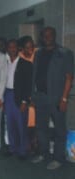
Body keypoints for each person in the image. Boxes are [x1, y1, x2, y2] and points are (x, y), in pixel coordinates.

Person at [31, 27, 74, 170]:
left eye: (50, 35)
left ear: (54, 36)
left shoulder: (65, 53)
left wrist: (64, 99)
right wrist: (33, 95)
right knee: (41, 128)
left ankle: (58, 158)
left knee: (59, 129)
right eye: (45, 35)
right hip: (40, 97)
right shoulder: (38, 53)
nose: (47, 37)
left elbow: (69, 77)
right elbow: (35, 75)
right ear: (42, 37)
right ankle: (43, 154)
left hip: (56, 98)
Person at [3, 39, 33, 160]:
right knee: (10, 124)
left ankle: (23, 151)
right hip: (7, 95)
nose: (12, 49)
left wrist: (25, 101)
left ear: (18, 48)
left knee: (21, 124)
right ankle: (12, 148)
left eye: (14, 47)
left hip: (20, 97)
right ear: (7, 49)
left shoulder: (26, 64)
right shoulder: (5, 63)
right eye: (9, 47)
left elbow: (28, 85)